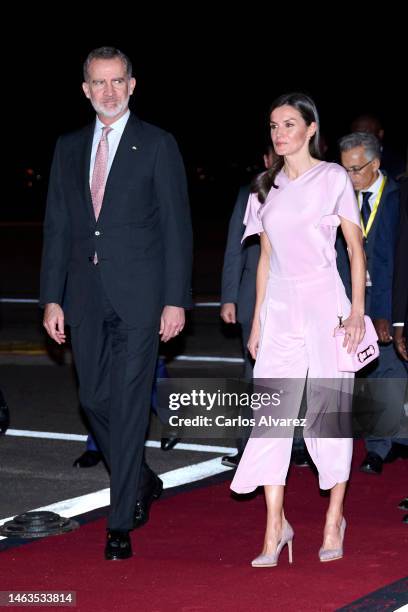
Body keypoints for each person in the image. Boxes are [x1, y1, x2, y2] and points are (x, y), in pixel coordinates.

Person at [40, 47, 192, 560]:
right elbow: (58, 227)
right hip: (82, 296)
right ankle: (140, 476)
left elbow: (176, 227)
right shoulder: (68, 146)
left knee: (128, 407)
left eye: (117, 81)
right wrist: (50, 298)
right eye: (98, 83)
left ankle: (120, 519)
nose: (108, 91)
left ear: (132, 85)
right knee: (93, 401)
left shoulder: (157, 144)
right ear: (85, 89)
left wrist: (176, 300)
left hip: (142, 299)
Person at [230, 92, 365, 567]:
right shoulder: (264, 188)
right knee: (271, 416)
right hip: (282, 308)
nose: (279, 132)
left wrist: (355, 312)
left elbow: (354, 248)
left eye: (289, 123)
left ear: (311, 129)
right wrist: (258, 319)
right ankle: (275, 526)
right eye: (273, 125)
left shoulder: (332, 178)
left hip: (326, 302)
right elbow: (264, 259)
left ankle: (334, 518)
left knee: (329, 411)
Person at [336, 132, 407, 475]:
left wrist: (386, 313)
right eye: (344, 169)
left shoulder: (398, 198)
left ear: (375, 165)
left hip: (389, 303)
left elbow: (394, 262)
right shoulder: (340, 198)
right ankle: (379, 446)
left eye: (355, 169)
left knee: (389, 374)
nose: (348, 177)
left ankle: (388, 443)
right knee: (373, 375)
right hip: (351, 302)